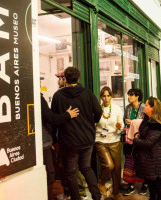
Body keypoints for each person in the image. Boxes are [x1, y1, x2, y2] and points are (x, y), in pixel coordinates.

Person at [50, 67, 103, 200]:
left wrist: (54, 139)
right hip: (87, 139)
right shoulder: (87, 93)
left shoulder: (58, 96)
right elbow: (98, 112)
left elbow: (54, 119)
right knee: (86, 168)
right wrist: (91, 122)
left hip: (69, 142)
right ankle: (97, 196)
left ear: (65, 79)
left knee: (71, 172)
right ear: (78, 78)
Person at [41, 92, 79, 200]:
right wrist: (67, 115)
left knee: (52, 172)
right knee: (50, 173)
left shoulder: (38, 97)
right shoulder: (38, 97)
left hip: (47, 142)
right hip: (44, 143)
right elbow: (52, 118)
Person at [133, 97, 161, 200]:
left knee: (158, 184)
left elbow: (148, 142)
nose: (144, 107)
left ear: (152, 108)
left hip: (155, 159)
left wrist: (134, 140)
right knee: (151, 183)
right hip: (149, 158)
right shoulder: (148, 119)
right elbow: (145, 135)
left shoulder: (156, 124)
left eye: (146, 105)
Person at [95, 87, 124, 200]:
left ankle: (115, 193)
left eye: (108, 95)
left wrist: (119, 127)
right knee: (109, 165)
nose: (106, 98)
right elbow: (93, 125)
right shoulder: (97, 109)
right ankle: (101, 182)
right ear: (101, 97)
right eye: (104, 96)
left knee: (116, 168)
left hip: (114, 141)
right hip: (100, 141)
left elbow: (121, 125)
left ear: (111, 96)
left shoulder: (116, 109)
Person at [122, 88, 147, 196]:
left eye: (131, 95)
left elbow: (146, 122)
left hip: (140, 138)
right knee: (129, 161)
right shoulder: (127, 107)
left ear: (137, 96)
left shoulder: (143, 107)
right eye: (128, 95)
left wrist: (133, 122)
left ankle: (144, 184)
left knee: (141, 161)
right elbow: (124, 119)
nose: (129, 97)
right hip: (129, 138)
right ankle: (130, 184)